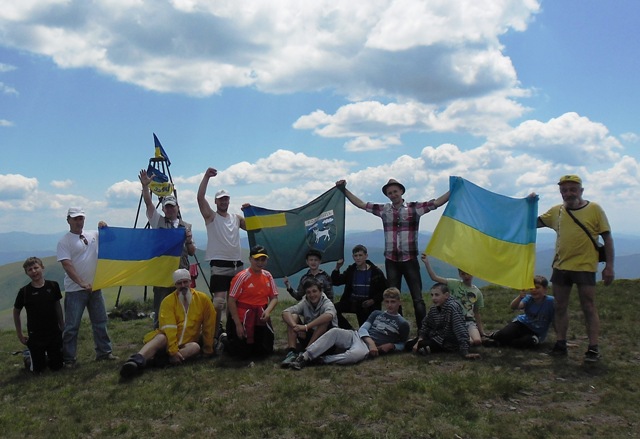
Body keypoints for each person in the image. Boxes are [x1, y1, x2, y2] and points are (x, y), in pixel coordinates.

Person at [336, 178, 449, 329]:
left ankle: (423, 332)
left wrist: (453, 190)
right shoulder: (384, 210)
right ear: (387, 195)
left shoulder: (414, 208)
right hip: (391, 260)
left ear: (401, 191)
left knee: (418, 298)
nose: (393, 195)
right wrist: (344, 190)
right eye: (390, 193)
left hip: (410, 259)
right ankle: (397, 330)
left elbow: (436, 203)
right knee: (393, 297)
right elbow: (361, 204)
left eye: (395, 191)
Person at [537, 174, 615, 362]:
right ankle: (561, 343)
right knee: (560, 306)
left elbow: (607, 238)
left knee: (588, 306)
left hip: (585, 267)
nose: (568, 193)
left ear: (581, 190)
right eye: (564, 190)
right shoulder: (556, 211)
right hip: (561, 266)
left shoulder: (594, 209)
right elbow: (533, 223)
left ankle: (593, 348)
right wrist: (528, 203)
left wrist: (609, 267)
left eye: (572, 189)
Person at [120, 269, 217, 378]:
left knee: (195, 347)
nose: (183, 285)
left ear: (190, 282)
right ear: (175, 285)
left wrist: (208, 349)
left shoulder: (203, 299)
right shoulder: (168, 301)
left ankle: (156, 362)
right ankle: (135, 361)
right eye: (179, 283)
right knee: (161, 337)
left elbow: (209, 324)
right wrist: (173, 350)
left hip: (187, 343)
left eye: (185, 282)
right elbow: (169, 328)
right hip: (167, 341)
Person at [288, 287, 410, 369]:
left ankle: (322, 360)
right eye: (387, 302)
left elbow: (403, 343)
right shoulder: (377, 314)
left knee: (354, 355)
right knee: (335, 331)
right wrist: (371, 342)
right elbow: (362, 329)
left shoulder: (402, 323)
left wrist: (392, 346)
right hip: (357, 336)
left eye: (393, 302)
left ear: (399, 302)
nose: (389, 305)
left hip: (365, 347)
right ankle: (304, 357)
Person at [57, 207, 116, 368]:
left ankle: (104, 352)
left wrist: (104, 227)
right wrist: (81, 282)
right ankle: (69, 359)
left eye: (81, 218)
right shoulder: (64, 241)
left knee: (100, 321)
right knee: (72, 326)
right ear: (68, 220)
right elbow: (67, 265)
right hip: (75, 290)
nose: (78, 222)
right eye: (75, 219)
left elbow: (111, 239)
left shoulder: (93, 234)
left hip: (95, 287)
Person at [139, 169, 196, 328]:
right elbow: (149, 204)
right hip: (162, 273)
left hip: (181, 271)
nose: (170, 210)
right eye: (167, 207)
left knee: (183, 305)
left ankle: (183, 333)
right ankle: (159, 334)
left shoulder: (187, 226)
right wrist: (145, 187)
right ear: (163, 209)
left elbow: (191, 252)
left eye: (172, 207)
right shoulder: (158, 222)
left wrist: (189, 240)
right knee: (161, 305)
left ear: (177, 207)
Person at [198, 167, 247, 340]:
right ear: (216, 202)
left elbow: (252, 226)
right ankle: (214, 332)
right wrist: (206, 177)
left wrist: (249, 211)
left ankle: (234, 329)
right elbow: (199, 198)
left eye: (226, 199)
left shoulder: (236, 217)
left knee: (237, 301)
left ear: (229, 200)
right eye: (220, 199)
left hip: (237, 265)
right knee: (219, 302)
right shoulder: (211, 217)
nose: (223, 202)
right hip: (219, 265)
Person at [225, 245, 279, 359]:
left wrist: (268, 311)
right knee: (241, 354)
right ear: (250, 259)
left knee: (264, 352)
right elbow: (231, 300)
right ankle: (225, 339)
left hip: (260, 316)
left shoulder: (267, 276)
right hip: (242, 317)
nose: (260, 263)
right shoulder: (241, 277)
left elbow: (274, 297)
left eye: (263, 259)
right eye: (257, 259)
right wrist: (238, 324)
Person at [13, 257, 64, 373]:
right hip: (35, 335)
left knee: (57, 367)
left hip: (53, 332)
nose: (34, 271)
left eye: (36, 268)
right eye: (30, 270)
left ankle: (45, 355)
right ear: (27, 273)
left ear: (42, 268)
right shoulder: (24, 292)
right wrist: (20, 333)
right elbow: (16, 311)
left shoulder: (53, 286)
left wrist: (62, 324)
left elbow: (57, 306)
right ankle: (28, 357)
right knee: (39, 370)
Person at [422, 254, 485, 346]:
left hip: (469, 321)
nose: (466, 276)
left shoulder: (477, 292)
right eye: (463, 273)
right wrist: (427, 263)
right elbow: (434, 277)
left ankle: (469, 337)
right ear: (459, 274)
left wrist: (482, 331)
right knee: (470, 342)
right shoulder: (454, 284)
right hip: (456, 321)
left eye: (468, 273)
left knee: (477, 341)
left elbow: (476, 313)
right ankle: (461, 340)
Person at [412, 283, 480, 360]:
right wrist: (420, 338)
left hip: (449, 342)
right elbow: (426, 324)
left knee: (421, 345)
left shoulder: (452, 307)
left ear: (446, 295)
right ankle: (425, 348)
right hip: (437, 337)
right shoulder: (434, 309)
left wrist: (464, 351)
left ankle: (427, 349)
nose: (434, 298)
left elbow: (460, 329)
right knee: (410, 344)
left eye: (437, 295)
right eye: (432, 295)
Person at [485, 275, 555, 349]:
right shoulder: (528, 298)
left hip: (536, 332)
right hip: (522, 324)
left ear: (545, 289)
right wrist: (520, 297)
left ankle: (500, 342)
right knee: (503, 335)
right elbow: (514, 307)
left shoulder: (551, 301)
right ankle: (494, 335)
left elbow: (557, 318)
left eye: (537, 287)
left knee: (527, 342)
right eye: (531, 288)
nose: (534, 290)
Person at [280, 278, 338, 367]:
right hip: (309, 335)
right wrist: (296, 327)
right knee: (294, 316)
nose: (312, 295)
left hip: (327, 342)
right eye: (309, 292)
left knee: (324, 322)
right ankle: (292, 352)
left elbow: (329, 315)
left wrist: (306, 327)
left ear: (321, 291)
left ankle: (307, 353)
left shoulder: (327, 303)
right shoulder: (305, 301)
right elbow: (285, 312)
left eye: (314, 291)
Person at [331, 244, 387, 330]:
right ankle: (350, 330)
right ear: (353, 257)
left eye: (360, 255)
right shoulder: (351, 270)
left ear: (366, 256)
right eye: (356, 256)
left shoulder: (375, 272)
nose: (358, 258)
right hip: (352, 302)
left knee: (365, 330)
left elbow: (384, 289)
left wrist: (373, 300)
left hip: (368, 305)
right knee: (332, 310)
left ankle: (360, 334)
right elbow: (336, 281)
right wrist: (337, 268)